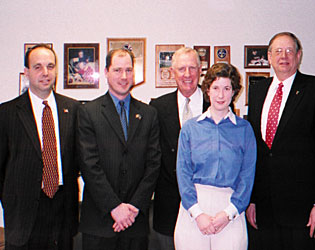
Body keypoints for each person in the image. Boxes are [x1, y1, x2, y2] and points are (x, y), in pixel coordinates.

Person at [246, 32, 315, 250]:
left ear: (298, 55)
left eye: (289, 50)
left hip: (302, 211)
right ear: (269, 56)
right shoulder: (257, 91)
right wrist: (252, 199)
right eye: (277, 51)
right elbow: (255, 150)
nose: (283, 56)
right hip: (263, 209)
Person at [78, 48, 161, 250]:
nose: (123, 77)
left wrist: (133, 208)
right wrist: (114, 207)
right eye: (117, 70)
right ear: (106, 72)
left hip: (136, 221)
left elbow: (153, 165)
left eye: (128, 70)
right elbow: (89, 165)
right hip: (99, 221)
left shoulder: (149, 114)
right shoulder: (88, 112)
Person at [0, 44, 79, 250]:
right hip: (23, 214)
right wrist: (12, 201)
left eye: (50, 66)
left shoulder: (74, 109)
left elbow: (79, 160)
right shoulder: (6, 113)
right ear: (26, 72)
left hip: (62, 208)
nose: (45, 73)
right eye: (38, 67)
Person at [174, 63, 257, 250]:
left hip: (231, 206)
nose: (221, 95)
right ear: (207, 90)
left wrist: (228, 214)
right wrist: (197, 214)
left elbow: (247, 176)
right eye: (216, 88)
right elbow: (183, 173)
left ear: (234, 91)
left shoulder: (244, 129)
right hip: (194, 206)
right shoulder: (190, 128)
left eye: (227, 88)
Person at [149, 47, 210, 250]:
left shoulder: (215, 104)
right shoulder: (157, 107)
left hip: (208, 205)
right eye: (181, 68)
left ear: (201, 70)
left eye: (192, 68)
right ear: (172, 72)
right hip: (169, 208)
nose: (187, 74)